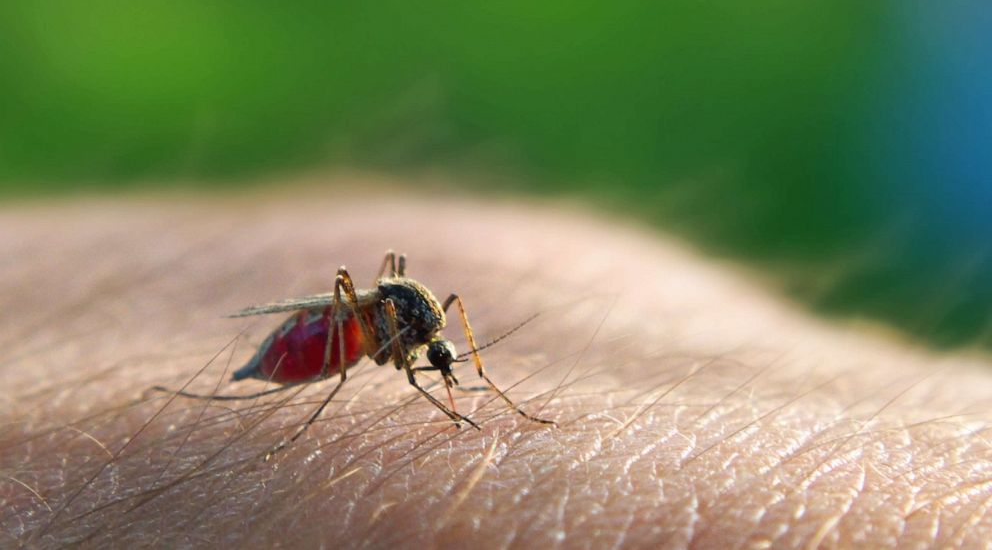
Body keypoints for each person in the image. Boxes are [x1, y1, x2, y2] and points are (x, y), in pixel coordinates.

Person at [3, 191, 991, 548]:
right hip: (324, 338)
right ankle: (296, 384)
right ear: (421, 342)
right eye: (437, 359)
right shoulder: (391, 319)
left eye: (436, 357)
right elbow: (392, 317)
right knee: (365, 306)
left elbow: (426, 326)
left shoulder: (427, 320)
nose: (436, 364)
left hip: (351, 324)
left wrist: (474, 382)